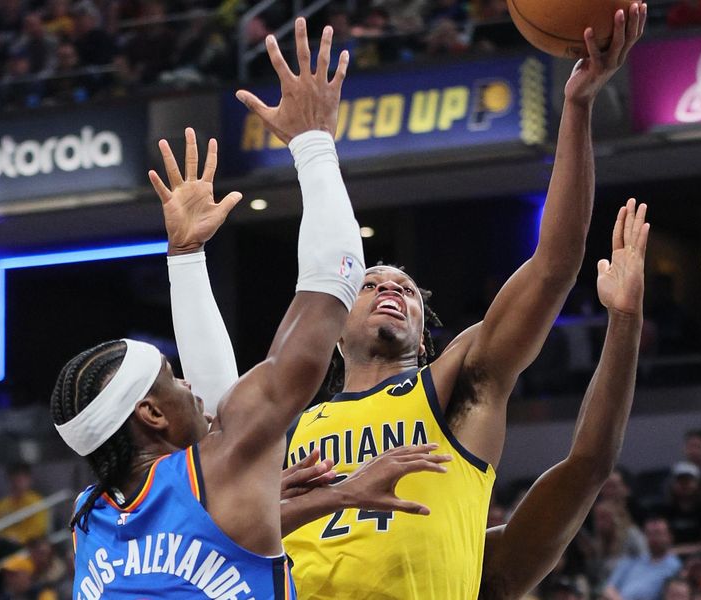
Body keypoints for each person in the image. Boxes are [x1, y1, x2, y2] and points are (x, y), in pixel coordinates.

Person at [178, 6, 648, 598]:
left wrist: (577, 108)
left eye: (406, 289)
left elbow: (554, 265)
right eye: (371, 283)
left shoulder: (456, 385)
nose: (391, 290)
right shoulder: (286, 423)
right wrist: (186, 257)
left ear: (425, 335)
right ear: (333, 325)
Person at [52, 21, 447, 599]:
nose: (188, 382)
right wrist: (312, 141)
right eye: (171, 380)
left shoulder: (89, 516)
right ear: (151, 416)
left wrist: (186, 258)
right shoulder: (223, 465)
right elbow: (327, 293)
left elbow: (220, 509)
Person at [603, 517, 682, 600]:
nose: (653, 538)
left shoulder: (675, 566)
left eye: (657, 533)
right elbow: (609, 589)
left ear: (669, 536)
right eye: (649, 534)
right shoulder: (633, 558)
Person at [0, 462, 49, 547]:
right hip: (4, 545)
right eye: (14, 479)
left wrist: (20, 538)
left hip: (27, 546)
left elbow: (39, 529)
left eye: (21, 479)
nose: (17, 483)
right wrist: (7, 537)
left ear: (29, 480)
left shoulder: (37, 502)